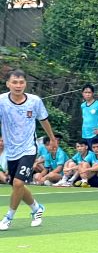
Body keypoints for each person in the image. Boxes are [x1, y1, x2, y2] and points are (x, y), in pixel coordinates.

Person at [0, 70, 56, 231]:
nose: (18, 86)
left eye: (21, 82)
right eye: (15, 82)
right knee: (16, 185)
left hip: (29, 148)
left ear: (25, 84)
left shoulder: (34, 101)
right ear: (8, 84)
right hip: (11, 150)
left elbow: (44, 120)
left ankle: (8, 217)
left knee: (18, 182)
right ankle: (37, 208)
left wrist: (52, 139)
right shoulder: (2, 101)